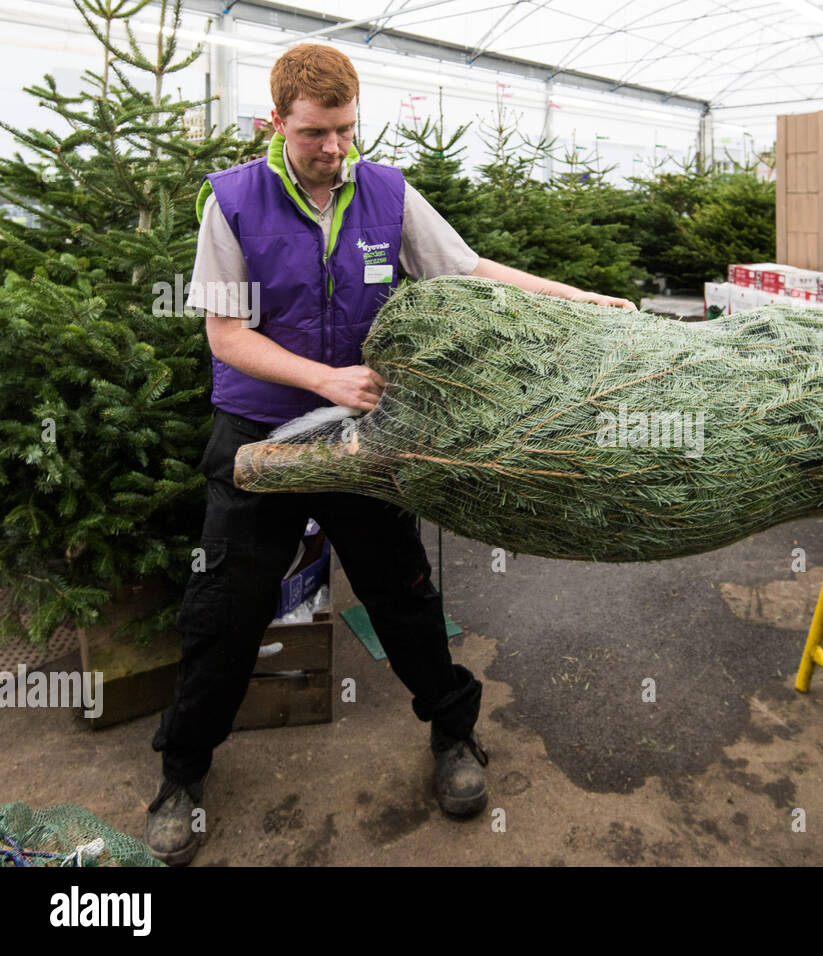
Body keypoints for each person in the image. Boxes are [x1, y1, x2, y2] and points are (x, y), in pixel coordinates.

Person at [144, 43, 633, 866]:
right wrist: (323, 378)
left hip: (358, 436)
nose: (333, 149)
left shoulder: (386, 191)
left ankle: (453, 735)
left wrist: (580, 298)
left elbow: (468, 271)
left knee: (401, 589)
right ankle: (182, 773)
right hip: (261, 436)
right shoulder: (232, 202)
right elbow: (225, 335)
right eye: (314, 134)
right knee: (225, 609)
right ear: (278, 123)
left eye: (344, 130)